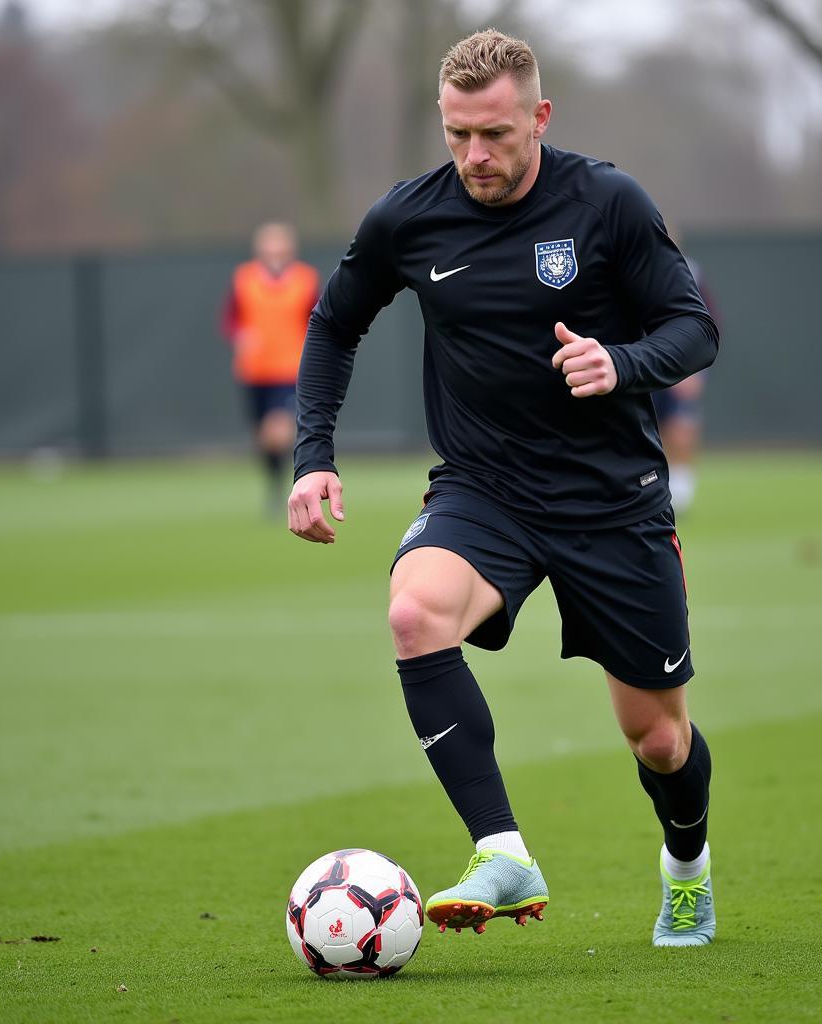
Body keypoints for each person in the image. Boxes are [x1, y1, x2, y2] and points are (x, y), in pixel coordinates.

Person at [288, 29, 719, 947]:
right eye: (457, 136)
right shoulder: (409, 218)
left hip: (613, 499)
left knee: (660, 742)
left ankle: (687, 867)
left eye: (495, 135)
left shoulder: (607, 202)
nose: (476, 156)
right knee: (415, 614)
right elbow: (333, 326)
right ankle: (502, 848)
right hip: (487, 489)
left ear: (539, 117)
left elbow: (694, 328)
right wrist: (314, 454)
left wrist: (624, 361)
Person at [222, 222, 320, 511]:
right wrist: (240, 335)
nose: (275, 252)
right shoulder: (244, 279)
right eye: (269, 247)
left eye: (280, 246)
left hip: (290, 368)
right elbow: (231, 319)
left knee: (278, 429)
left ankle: (296, 483)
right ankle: (275, 485)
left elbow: (318, 319)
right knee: (263, 437)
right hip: (254, 370)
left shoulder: (305, 279)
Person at [652, 255, 718, 515]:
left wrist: (696, 372)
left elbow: (708, 321)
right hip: (634, 360)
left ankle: (680, 491)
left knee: (680, 426)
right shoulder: (617, 262)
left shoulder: (690, 270)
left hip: (675, 364)